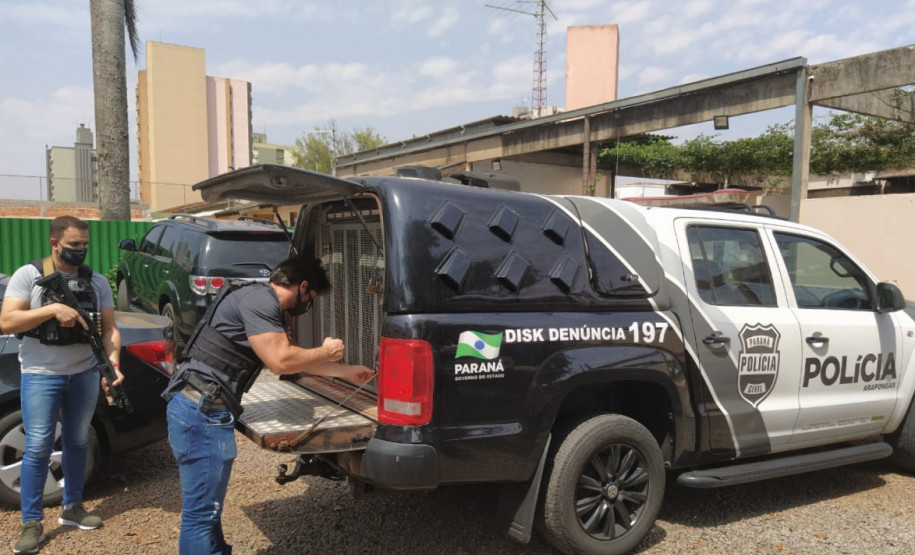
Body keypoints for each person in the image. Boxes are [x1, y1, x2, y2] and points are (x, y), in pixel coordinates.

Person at [162, 253, 373, 555]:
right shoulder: (261, 302)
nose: (308, 303)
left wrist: (348, 372)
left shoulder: (257, 299)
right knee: (201, 515)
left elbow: (295, 358)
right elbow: (281, 361)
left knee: (208, 511)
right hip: (202, 412)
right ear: (303, 286)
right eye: (311, 296)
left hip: (201, 408)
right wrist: (326, 351)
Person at [0, 216, 124, 554]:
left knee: (78, 441)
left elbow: (110, 329)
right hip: (41, 374)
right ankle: (31, 522)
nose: (81, 250)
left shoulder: (96, 281)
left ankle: (72, 507)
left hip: (84, 373)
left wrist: (113, 364)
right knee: (38, 446)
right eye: (73, 245)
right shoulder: (29, 275)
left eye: (85, 244)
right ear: (54, 243)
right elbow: (7, 320)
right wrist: (53, 309)